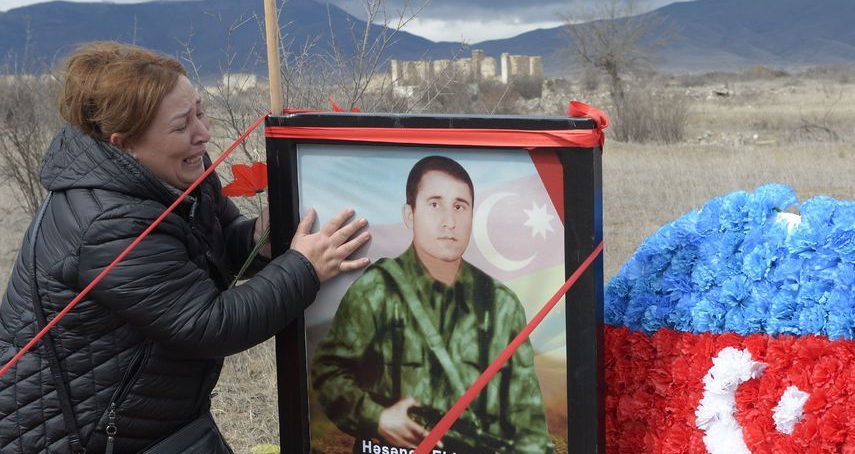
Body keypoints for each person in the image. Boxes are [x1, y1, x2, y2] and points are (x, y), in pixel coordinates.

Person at [0, 42, 370, 453]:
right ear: (124, 144)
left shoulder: (176, 172)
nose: (203, 133)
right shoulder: (108, 222)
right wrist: (305, 267)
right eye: (181, 126)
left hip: (152, 421)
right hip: (78, 436)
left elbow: (208, 249)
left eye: (200, 110)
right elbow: (209, 323)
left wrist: (255, 240)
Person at [311, 156, 549, 454]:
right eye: (435, 204)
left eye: (460, 206)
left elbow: (528, 421)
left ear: (472, 216)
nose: (449, 221)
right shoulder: (378, 289)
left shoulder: (501, 304)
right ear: (410, 214)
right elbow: (328, 372)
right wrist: (377, 418)